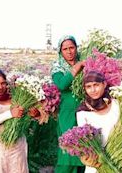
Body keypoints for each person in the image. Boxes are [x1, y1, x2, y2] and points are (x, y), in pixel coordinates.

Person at [51, 35, 85, 173]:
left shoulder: (86, 62)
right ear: (60, 51)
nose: (69, 51)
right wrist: (77, 67)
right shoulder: (58, 67)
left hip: (86, 111)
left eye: (72, 47)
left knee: (86, 150)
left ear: (76, 48)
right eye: (65, 49)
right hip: (68, 114)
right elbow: (62, 84)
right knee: (68, 152)